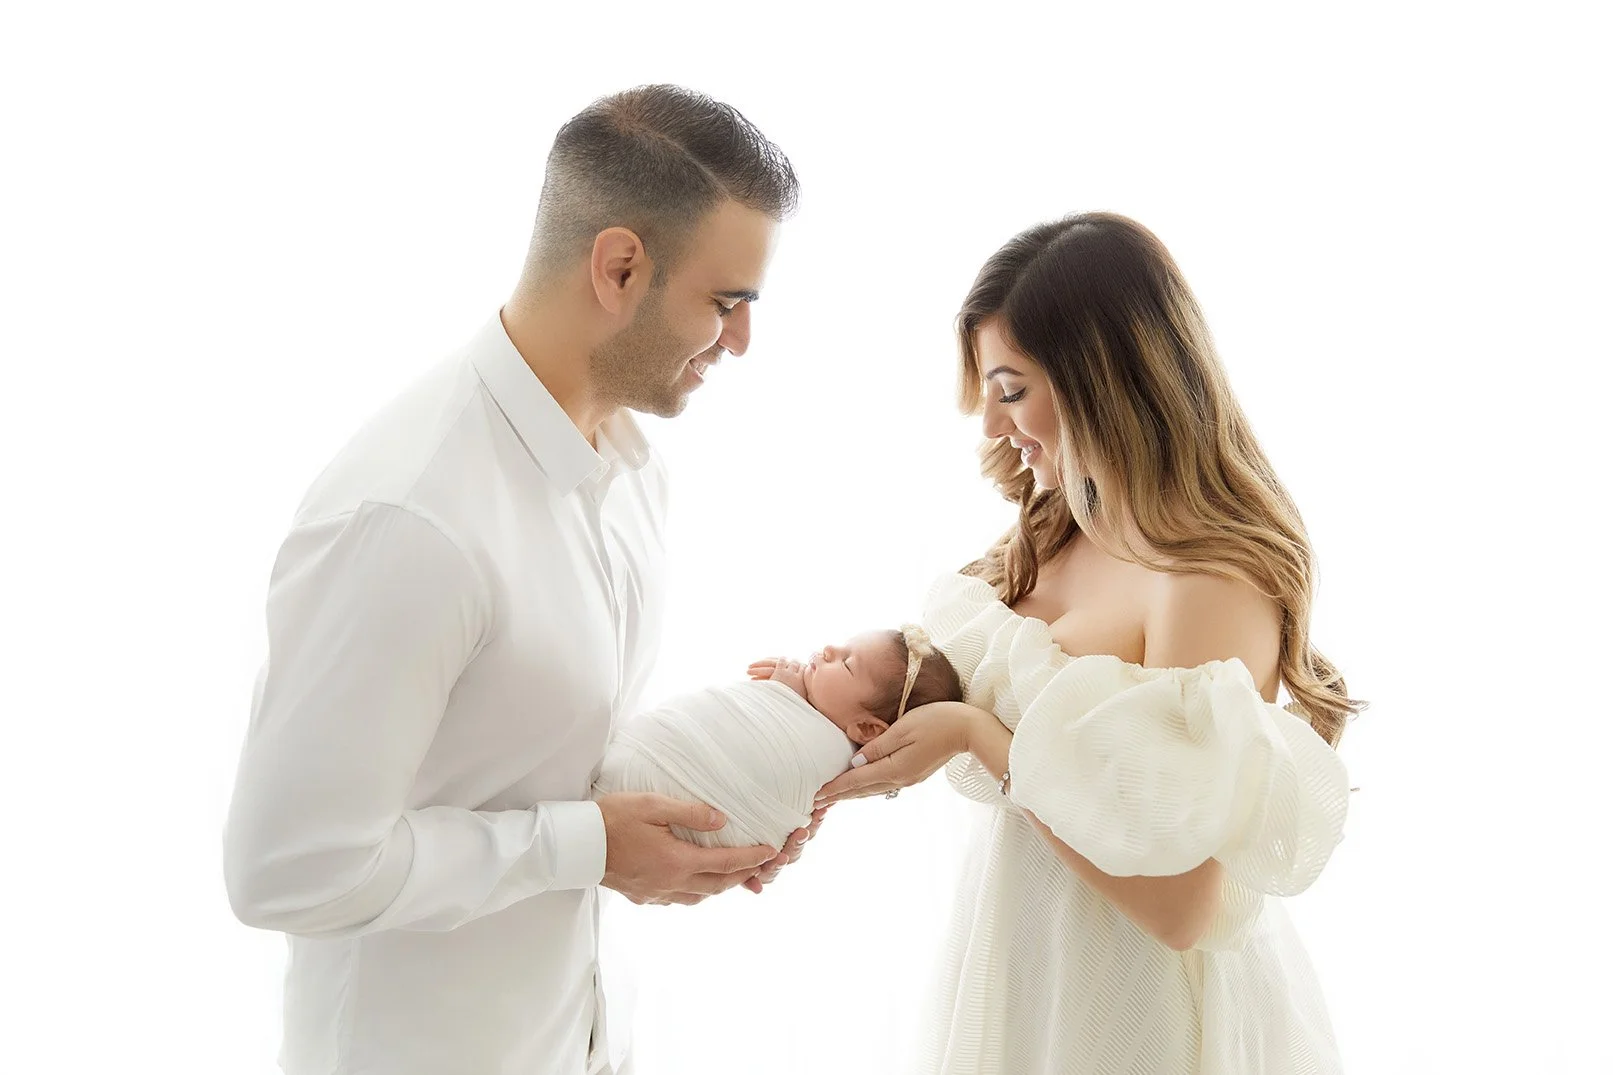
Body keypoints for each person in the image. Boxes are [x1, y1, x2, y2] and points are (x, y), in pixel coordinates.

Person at [222, 85, 804, 1075]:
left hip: (574, 1039)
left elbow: (541, 755)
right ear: (620, 266)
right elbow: (286, 869)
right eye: (724, 302)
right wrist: (583, 847)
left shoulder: (630, 468)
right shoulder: (411, 519)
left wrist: (745, 784)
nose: (741, 341)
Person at [816, 212, 1362, 1074]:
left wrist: (977, 739)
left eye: (1010, 389)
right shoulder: (1059, 526)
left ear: (1100, 378)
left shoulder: (1209, 581)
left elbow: (1182, 903)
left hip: (1133, 1002)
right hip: (1024, 957)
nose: (994, 428)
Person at [595, 627, 962, 853]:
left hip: (645, 780)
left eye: (847, 664)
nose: (829, 649)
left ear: (867, 731)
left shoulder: (829, 757)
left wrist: (785, 692)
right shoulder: (836, 759)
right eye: (844, 644)